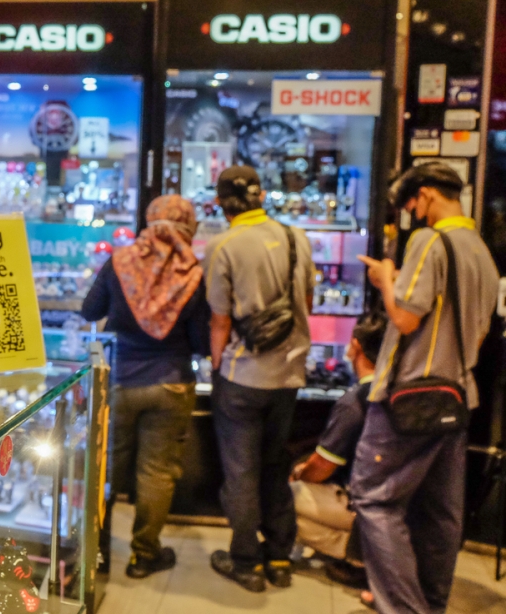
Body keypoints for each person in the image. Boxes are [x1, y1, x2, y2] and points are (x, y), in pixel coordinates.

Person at [353, 162, 499, 614]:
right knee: (440, 511)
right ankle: (430, 601)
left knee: (373, 498)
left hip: (410, 398)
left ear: (430, 193)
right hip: (458, 396)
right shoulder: (481, 249)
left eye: (411, 203)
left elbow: (405, 317)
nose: (412, 213)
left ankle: (403, 605)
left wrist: (385, 281)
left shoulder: (430, 241)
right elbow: (476, 336)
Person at [80, 194, 209, 579]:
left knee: (107, 469)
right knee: (156, 472)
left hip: (119, 380)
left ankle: (97, 552)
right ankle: (143, 555)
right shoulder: (194, 274)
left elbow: (89, 311)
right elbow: (202, 342)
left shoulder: (118, 263)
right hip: (171, 384)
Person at [204, 165, 315, 592]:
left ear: (220, 202)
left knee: (241, 472)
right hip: (289, 374)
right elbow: (305, 300)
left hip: (242, 376)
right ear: (262, 196)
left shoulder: (223, 245)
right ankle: (280, 557)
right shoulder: (295, 237)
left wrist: (218, 367)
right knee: (274, 465)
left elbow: (219, 320)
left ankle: (246, 561)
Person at [290, 311, 387, 590]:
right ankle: (371, 553)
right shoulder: (396, 391)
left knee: (274, 499)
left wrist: (298, 475)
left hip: (358, 505)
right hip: (392, 505)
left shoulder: (355, 402)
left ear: (355, 346)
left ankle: (360, 556)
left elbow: (321, 468)